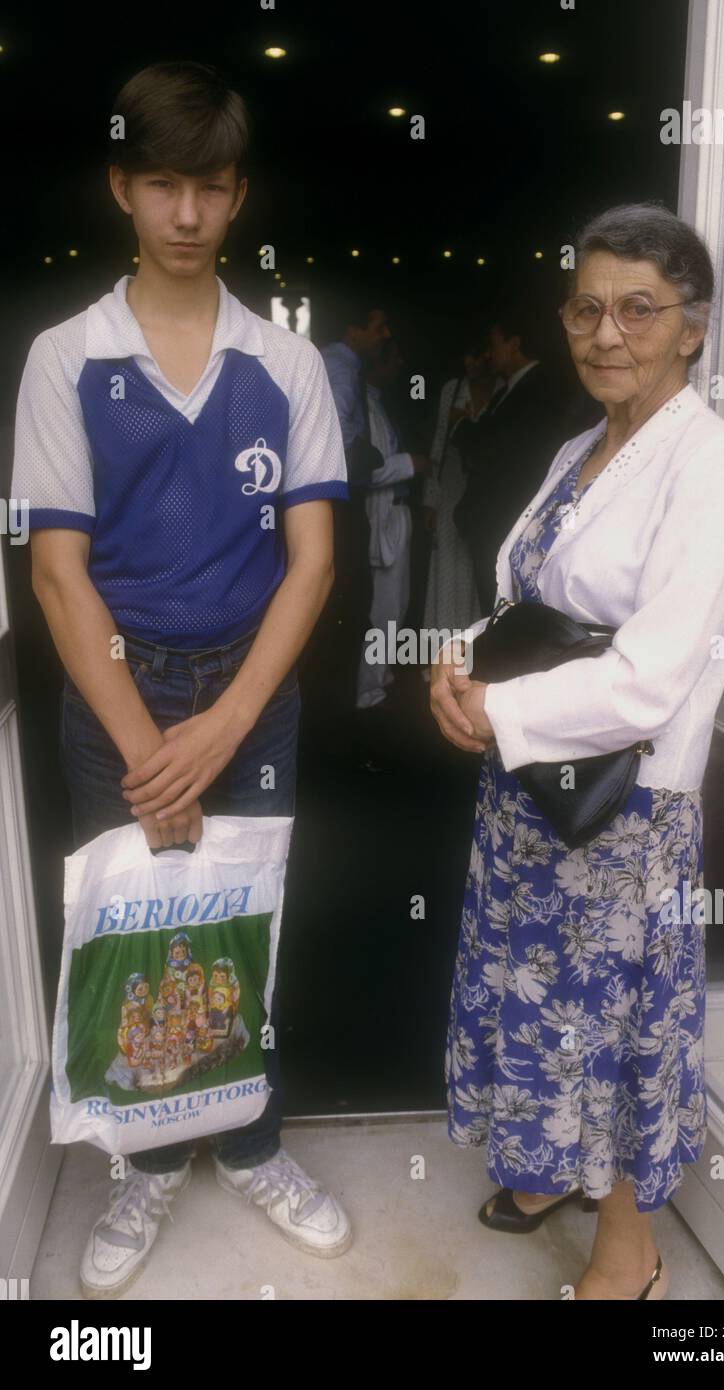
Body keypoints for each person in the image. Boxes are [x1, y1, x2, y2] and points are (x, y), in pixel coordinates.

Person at [12, 60, 352, 1298]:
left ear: (239, 194)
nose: (188, 214)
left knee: (244, 920)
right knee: (136, 932)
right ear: (122, 188)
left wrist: (224, 723)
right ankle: (149, 1163)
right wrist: (149, 746)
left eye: (210, 187)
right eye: (162, 185)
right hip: (116, 686)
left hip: (248, 688)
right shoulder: (67, 357)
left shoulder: (287, 364)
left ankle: (255, 1143)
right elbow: (59, 573)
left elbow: (310, 564)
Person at [430, 202, 724, 1301]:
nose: (605, 332)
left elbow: (653, 675)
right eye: (586, 307)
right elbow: (521, 600)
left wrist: (497, 711)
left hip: (623, 820)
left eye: (638, 308)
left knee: (618, 1043)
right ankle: (541, 1173)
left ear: (691, 329)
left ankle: (628, 1255)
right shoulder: (582, 447)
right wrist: (458, 658)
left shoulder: (719, 464)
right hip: (533, 792)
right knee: (530, 1013)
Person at [450, 303, 571, 611]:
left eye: (494, 343)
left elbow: (495, 449)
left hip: (506, 522)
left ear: (514, 344)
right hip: (496, 525)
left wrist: (461, 425)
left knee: (501, 615)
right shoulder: (510, 390)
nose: (489, 353)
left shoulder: (536, 390)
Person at [320, 293, 392, 721]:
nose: (384, 335)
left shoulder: (349, 367)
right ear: (353, 330)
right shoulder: (339, 367)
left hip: (346, 505)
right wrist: (372, 458)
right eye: (378, 325)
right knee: (346, 605)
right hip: (339, 506)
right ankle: (339, 718)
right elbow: (335, 441)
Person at [355, 339, 430, 716]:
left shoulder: (377, 402)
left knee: (394, 608)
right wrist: (410, 465)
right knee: (382, 610)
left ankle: (378, 678)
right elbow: (363, 469)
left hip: (397, 514)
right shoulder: (359, 406)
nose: (399, 360)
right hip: (381, 514)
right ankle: (368, 693)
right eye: (393, 352)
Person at [421, 336, 498, 657]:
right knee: (449, 567)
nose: (470, 363)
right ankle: (444, 653)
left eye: (476, 356)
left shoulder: (502, 389)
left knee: (480, 565)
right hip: (453, 485)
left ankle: (478, 653)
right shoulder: (452, 389)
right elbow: (438, 445)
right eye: (466, 357)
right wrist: (430, 499)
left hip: (486, 490)